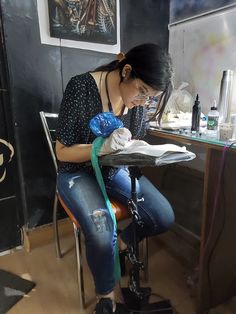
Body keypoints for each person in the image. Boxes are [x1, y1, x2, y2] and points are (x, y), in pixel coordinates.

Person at [56, 43, 175, 314]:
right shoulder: (81, 88)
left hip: (113, 169)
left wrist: (136, 148)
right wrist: (102, 148)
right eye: (142, 92)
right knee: (100, 234)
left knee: (162, 215)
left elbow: (135, 136)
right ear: (126, 71)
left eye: (151, 98)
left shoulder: (138, 104)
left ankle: (120, 244)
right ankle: (106, 295)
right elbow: (61, 151)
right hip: (77, 172)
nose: (143, 102)